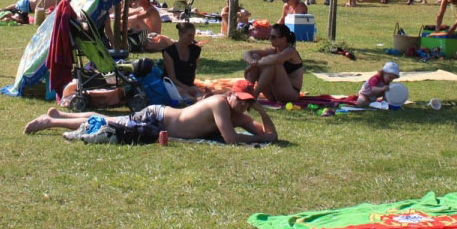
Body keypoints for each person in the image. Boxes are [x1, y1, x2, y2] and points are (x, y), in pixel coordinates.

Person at [23, 92, 277, 145]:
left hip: (162, 121)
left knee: (111, 120)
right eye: (240, 99)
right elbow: (231, 139)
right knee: (108, 122)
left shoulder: (239, 115)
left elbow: (272, 137)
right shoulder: (219, 104)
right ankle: (52, 122)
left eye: (248, 102)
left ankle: (61, 115)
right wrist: (253, 135)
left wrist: (262, 112)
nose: (242, 105)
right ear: (231, 95)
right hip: (158, 118)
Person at [243, 24, 304, 103]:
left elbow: (277, 59)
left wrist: (254, 64)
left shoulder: (291, 51)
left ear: (283, 39)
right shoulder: (273, 50)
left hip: (290, 94)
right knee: (255, 56)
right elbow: (247, 53)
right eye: (270, 36)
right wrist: (252, 61)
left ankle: (254, 95)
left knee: (273, 63)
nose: (270, 39)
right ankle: (248, 91)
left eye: (273, 37)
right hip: (273, 93)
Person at [161, 22, 203, 101]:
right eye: (189, 35)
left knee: (201, 95)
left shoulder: (196, 50)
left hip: (188, 84)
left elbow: (193, 70)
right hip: (173, 85)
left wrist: (190, 88)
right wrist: (187, 89)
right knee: (188, 97)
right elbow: (172, 78)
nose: (192, 38)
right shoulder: (169, 52)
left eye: (193, 36)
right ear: (180, 34)